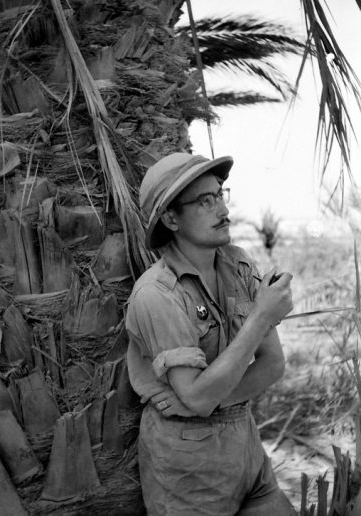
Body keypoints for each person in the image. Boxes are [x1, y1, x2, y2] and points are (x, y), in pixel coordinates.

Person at [125, 152, 297, 515]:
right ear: (171, 218)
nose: (223, 209)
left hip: (244, 442)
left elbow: (272, 365)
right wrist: (261, 317)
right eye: (205, 201)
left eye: (220, 194)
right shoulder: (156, 295)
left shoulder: (238, 264)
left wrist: (207, 397)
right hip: (186, 462)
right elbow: (199, 399)